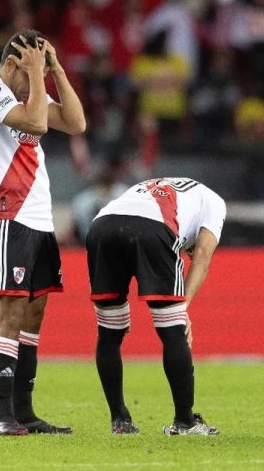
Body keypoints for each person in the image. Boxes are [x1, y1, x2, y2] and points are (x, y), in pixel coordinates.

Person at [0, 30, 86, 436]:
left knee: (34, 315)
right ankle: (3, 418)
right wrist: (37, 75)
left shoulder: (27, 94)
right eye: (32, 64)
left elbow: (75, 121)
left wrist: (55, 69)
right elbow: (37, 123)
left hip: (39, 219)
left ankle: (25, 414)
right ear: (14, 63)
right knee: (12, 312)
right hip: (6, 216)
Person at [86, 177, 226, 436]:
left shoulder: (160, 185)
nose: (189, 253)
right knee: (172, 329)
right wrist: (183, 308)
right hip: (153, 227)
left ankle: (120, 419)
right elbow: (203, 256)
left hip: (102, 226)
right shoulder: (216, 203)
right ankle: (185, 421)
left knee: (110, 330)